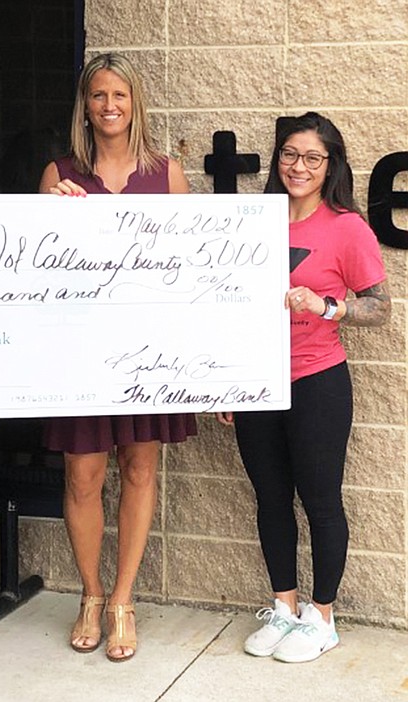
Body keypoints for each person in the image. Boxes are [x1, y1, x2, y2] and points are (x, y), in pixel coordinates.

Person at [39, 53, 196, 663]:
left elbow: (188, 272)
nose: (109, 106)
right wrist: (51, 212)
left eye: (120, 95)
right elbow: (35, 270)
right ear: (86, 105)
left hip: (148, 351)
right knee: (82, 475)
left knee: (139, 469)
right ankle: (90, 594)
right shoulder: (59, 172)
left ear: (136, 104)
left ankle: (124, 600)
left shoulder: (167, 173)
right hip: (79, 352)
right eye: (98, 95)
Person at [218, 112, 390, 663]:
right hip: (258, 384)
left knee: (320, 501)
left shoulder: (347, 227)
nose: (299, 166)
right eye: (290, 155)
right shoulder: (253, 221)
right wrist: (230, 381)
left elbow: (381, 308)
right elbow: (225, 306)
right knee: (270, 499)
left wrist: (329, 306)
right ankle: (285, 608)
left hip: (318, 379)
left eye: (313, 158)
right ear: (278, 160)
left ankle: (322, 617)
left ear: (330, 166)